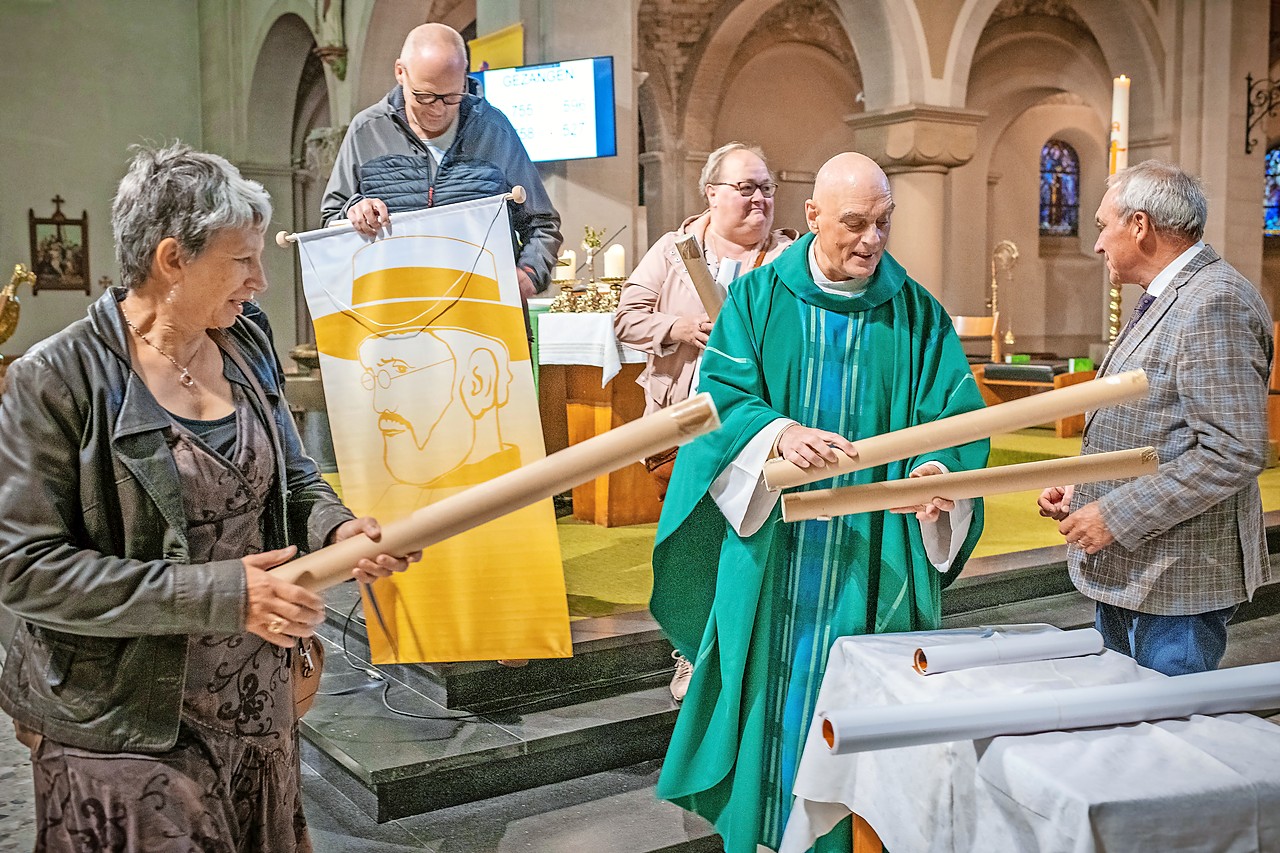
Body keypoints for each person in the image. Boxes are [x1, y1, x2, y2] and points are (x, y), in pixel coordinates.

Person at [0, 142, 421, 851]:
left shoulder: (244, 338)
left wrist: (336, 532)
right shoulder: (57, 378)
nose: (260, 279)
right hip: (124, 723)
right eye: (242, 259)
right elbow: (26, 567)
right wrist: (223, 593)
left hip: (256, 702)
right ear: (172, 259)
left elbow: (293, 476)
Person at [649, 152, 988, 853]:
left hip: (874, 551)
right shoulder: (759, 299)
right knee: (770, 696)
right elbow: (720, 402)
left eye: (883, 224)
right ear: (812, 217)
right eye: (854, 224)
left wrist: (934, 472)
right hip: (777, 548)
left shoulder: (917, 313)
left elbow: (957, 419)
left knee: (860, 700)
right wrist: (780, 432)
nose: (871, 240)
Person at [1038, 160, 1274, 677]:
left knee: (1164, 738)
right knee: (1126, 729)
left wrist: (1115, 514)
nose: (1098, 244)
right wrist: (1086, 492)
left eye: (1103, 225)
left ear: (1139, 225)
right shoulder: (1166, 297)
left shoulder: (1215, 302)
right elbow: (1158, 427)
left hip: (1177, 581)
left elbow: (1233, 452)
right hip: (1137, 568)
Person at [614, 141, 795, 703]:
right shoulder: (676, 250)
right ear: (712, 194)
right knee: (693, 540)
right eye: (746, 188)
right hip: (684, 422)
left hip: (757, 427)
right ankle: (691, 653)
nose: (759, 198)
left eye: (766, 187)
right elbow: (626, 317)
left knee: (752, 537)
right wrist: (678, 328)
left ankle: (747, 651)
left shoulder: (790, 255)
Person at [321, 22, 562, 299]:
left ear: (464, 76)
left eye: (451, 96)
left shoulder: (494, 130)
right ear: (400, 72)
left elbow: (542, 223)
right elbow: (331, 218)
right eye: (424, 96)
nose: (438, 109)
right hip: (393, 311)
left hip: (483, 312)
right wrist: (354, 209)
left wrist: (530, 273)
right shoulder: (367, 130)